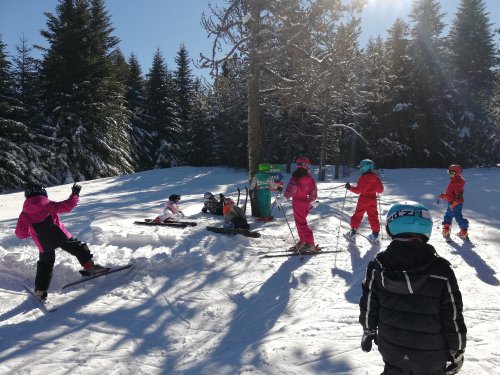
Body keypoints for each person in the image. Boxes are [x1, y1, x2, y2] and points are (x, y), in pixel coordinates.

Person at [359, 201, 467, 375]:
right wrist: (457, 350)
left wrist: (368, 329)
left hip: (391, 349)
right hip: (431, 354)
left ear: (391, 227)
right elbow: (452, 316)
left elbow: (369, 303)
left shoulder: (378, 265)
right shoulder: (441, 270)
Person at [15, 183, 107, 300]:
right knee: (79, 248)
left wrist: (30, 231)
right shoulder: (48, 204)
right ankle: (90, 267)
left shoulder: (24, 214)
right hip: (60, 237)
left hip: (43, 243)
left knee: (45, 265)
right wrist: (75, 194)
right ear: (43, 192)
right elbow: (67, 206)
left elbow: (21, 234)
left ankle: (40, 291)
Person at [276, 156, 318, 252]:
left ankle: (310, 243)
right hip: (305, 202)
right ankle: (303, 241)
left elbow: (291, 189)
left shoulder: (296, 177)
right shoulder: (309, 177)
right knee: (300, 223)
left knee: (301, 223)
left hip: (298, 202)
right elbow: (313, 190)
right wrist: (312, 200)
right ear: (306, 166)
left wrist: (283, 198)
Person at [345, 159, 384, 242]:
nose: (360, 169)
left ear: (365, 167)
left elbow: (358, 190)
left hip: (364, 199)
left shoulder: (363, 178)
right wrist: (374, 189)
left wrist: (349, 187)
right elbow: (381, 190)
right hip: (373, 200)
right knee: (373, 216)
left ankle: (352, 232)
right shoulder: (376, 177)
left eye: (361, 167)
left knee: (358, 215)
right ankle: (375, 234)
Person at [439, 165, 469, 240]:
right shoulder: (454, 181)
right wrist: (445, 195)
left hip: (455, 203)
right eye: (449, 173)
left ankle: (462, 232)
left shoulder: (456, 183)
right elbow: (452, 194)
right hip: (453, 202)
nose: (450, 175)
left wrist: (454, 203)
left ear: (457, 174)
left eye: (452, 173)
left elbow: (459, 196)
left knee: (455, 216)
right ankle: (448, 230)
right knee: (451, 215)